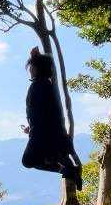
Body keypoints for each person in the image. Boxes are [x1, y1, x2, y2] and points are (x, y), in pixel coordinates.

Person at [21, 47, 82, 190]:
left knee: (28, 160)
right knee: (41, 159)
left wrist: (33, 130)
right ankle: (67, 169)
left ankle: (68, 170)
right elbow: (46, 113)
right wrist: (31, 127)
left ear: (38, 68)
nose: (30, 70)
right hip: (51, 133)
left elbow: (40, 113)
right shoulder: (47, 85)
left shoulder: (38, 86)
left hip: (43, 134)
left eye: (32, 67)